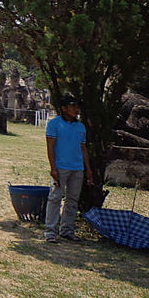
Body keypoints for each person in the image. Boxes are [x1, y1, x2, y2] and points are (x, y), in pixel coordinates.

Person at [44, 94, 93, 242]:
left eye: (77, 106)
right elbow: (50, 146)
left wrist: (88, 169)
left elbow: (83, 148)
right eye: (73, 106)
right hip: (61, 167)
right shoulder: (54, 124)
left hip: (77, 168)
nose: (76, 109)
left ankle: (67, 230)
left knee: (72, 199)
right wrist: (53, 168)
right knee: (55, 198)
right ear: (64, 108)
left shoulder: (80, 126)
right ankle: (50, 231)